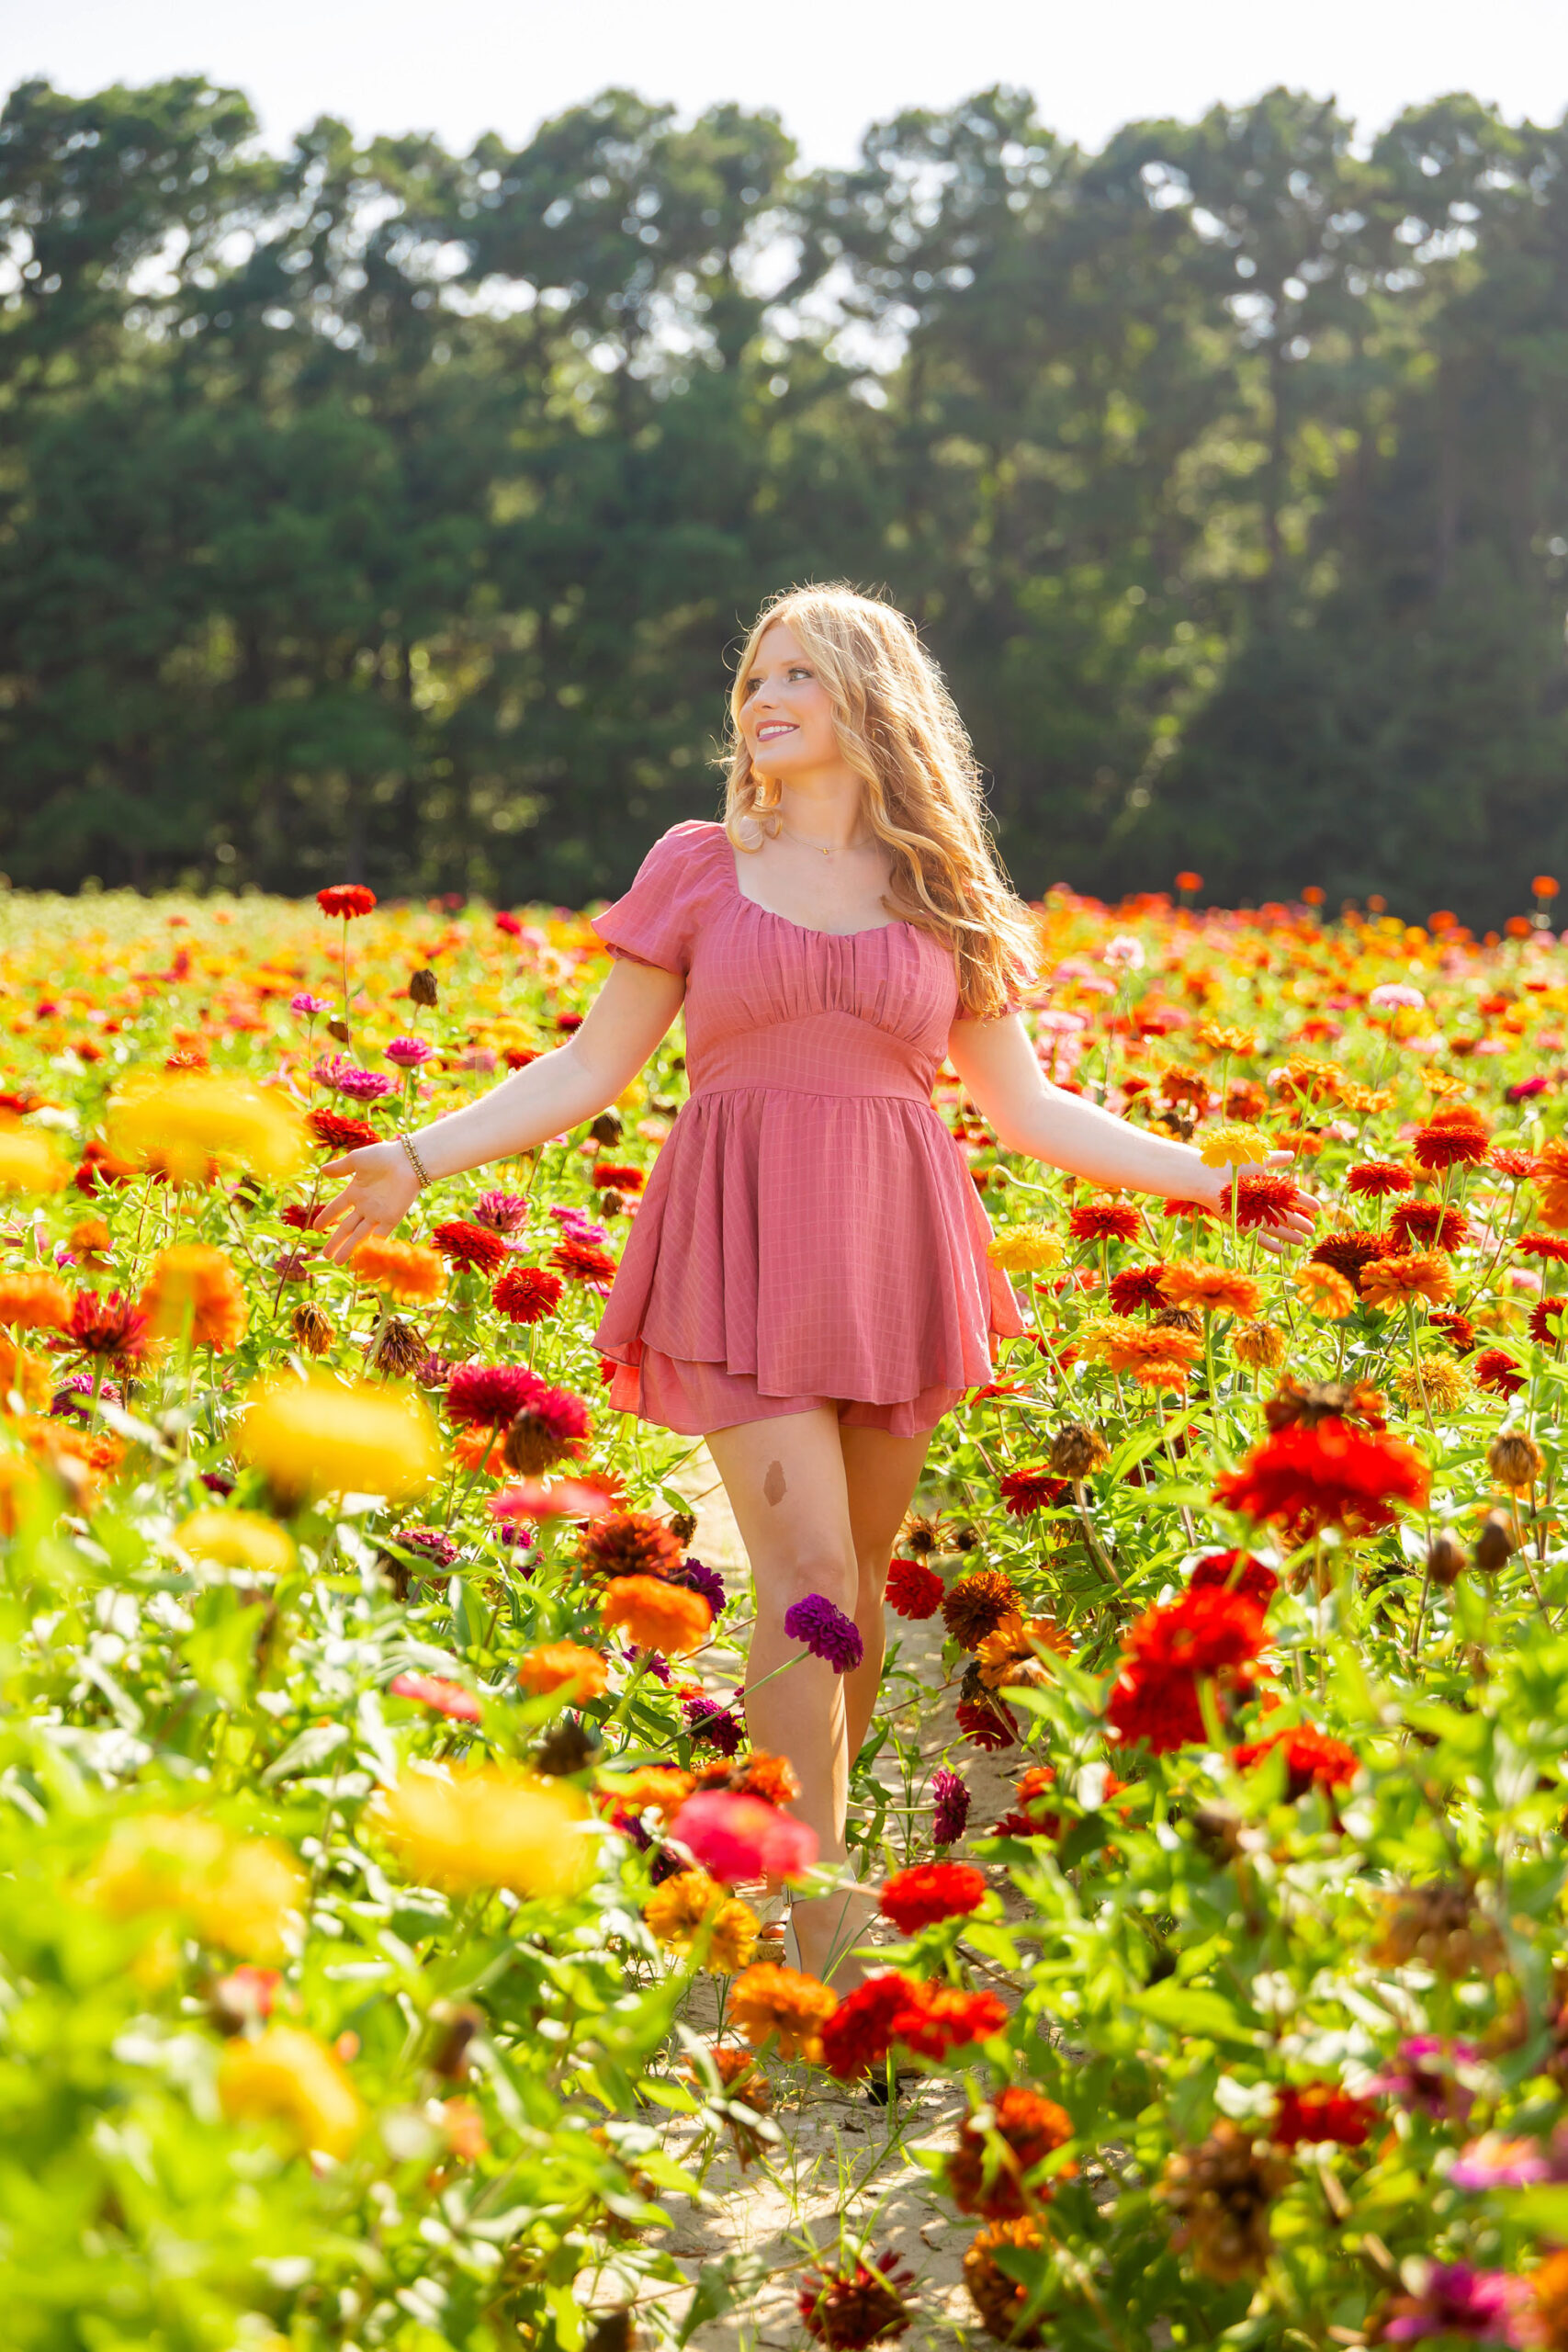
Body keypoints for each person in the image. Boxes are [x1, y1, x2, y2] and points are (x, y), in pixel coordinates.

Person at [313, 583, 1313, 1985]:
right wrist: (420, 1152)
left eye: (797, 675)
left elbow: (1028, 1110)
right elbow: (592, 1067)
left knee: (849, 1626)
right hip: (739, 1243)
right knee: (810, 1575)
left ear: (870, 699)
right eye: (754, 679)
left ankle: (791, 1856)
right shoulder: (699, 865)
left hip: (896, 1252)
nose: (761, 698)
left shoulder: (944, 892)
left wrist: (1216, 1180)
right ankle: (826, 1925)